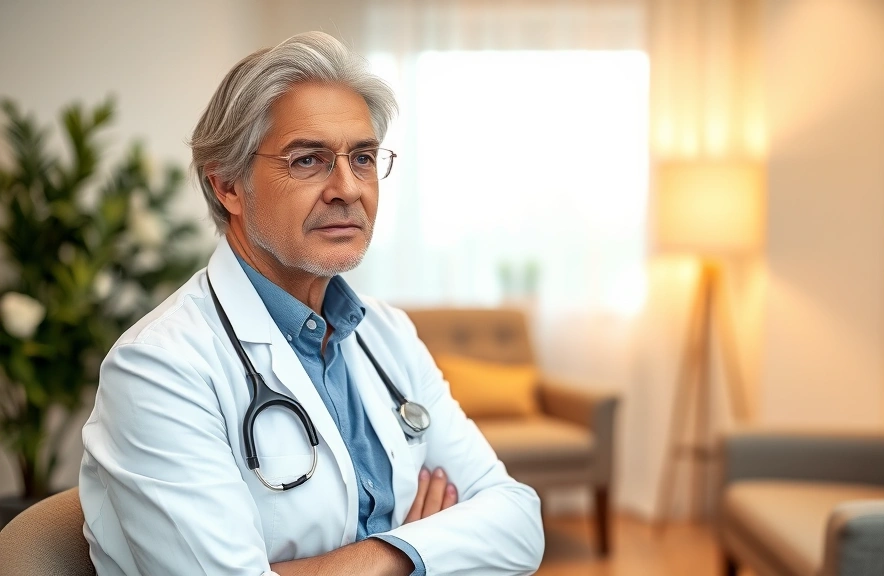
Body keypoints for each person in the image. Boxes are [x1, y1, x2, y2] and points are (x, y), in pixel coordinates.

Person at [79, 31, 544, 576]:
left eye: (364, 157)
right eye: (308, 160)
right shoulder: (158, 367)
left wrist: (383, 555)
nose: (348, 187)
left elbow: (518, 523)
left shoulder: (387, 333)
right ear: (228, 185)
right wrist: (421, 549)